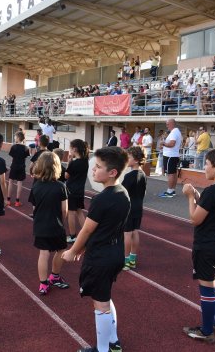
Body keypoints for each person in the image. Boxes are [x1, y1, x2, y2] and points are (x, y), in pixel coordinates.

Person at [62, 147, 129, 352]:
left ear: (112, 172)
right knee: (105, 297)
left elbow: (88, 229)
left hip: (101, 256)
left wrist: (73, 250)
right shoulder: (123, 193)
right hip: (115, 252)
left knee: (100, 304)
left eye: (98, 167)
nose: (93, 170)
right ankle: (113, 341)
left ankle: (102, 349)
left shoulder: (102, 199)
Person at [181, 148, 215, 344]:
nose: (204, 167)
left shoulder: (212, 191)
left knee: (206, 287)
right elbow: (212, 209)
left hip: (206, 245)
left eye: (206, 164)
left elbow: (195, 219)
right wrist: (198, 196)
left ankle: (206, 331)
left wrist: (190, 197)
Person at [31, 151, 70, 295]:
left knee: (44, 253)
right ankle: (54, 276)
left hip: (40, 224)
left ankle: (43, 283)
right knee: (60, 250)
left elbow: (34, 208)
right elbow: (64, 210)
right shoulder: (61, 186)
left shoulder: (35, 187)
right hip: (56, 224)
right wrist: (61, 223)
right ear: (57, 167)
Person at [122, 146, 146, 271]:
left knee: (126, 233)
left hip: (129, 207)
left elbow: (122, 191)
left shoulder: (129, 176)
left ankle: (125, 260)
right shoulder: (143, 174)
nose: (127, 159)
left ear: (136, 160)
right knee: (135, 231)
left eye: (129, 157)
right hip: (138, 206)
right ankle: (132, 259)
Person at [65, 139, 89, 244]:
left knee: (71, 213)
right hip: (80, 190)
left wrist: (69, 163)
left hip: (71, 190)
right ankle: (86, 234)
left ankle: (73, 235)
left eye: (70, 148)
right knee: (79, 212)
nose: (69, 150)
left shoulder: (74, 163)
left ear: (74, 149)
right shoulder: (85, 162)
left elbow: (66, 176)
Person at [159, 119, 182, 197]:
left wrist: (163, 143)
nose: (167, 126)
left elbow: (172, 144)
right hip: (172, 155)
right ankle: (172, 190)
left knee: (170, 174)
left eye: (168, 124)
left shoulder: (174, 132)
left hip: (170, 156)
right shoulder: (175, 132)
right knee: (173, 173)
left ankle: (169, 191)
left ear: (172, 124)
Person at [7, 131, 30, 207]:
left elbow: (12, 157)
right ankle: (17, 201)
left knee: (10, 182)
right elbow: (26, 157)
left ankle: (8, 200)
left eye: (15, 136)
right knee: (19, 183)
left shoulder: (13, 147)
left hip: (14, 166)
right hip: (21, 167)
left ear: (17, 138)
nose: (14, 138)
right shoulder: (26, 148)